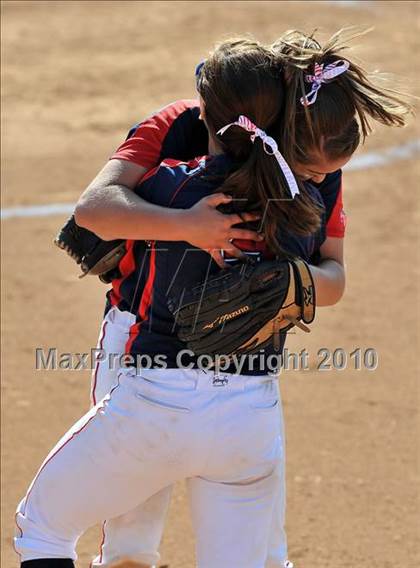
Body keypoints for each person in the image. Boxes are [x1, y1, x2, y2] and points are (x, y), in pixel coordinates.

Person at [15, 32, 412, 568]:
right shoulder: (181, 127)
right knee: (138, 533)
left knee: (249, 544)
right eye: (312, 168)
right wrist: (187, 229)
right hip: (171, 350)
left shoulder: (292, 166)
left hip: (167, 376)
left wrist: (289, 276)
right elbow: (97, 207)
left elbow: (332, 275)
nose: (317, 179)